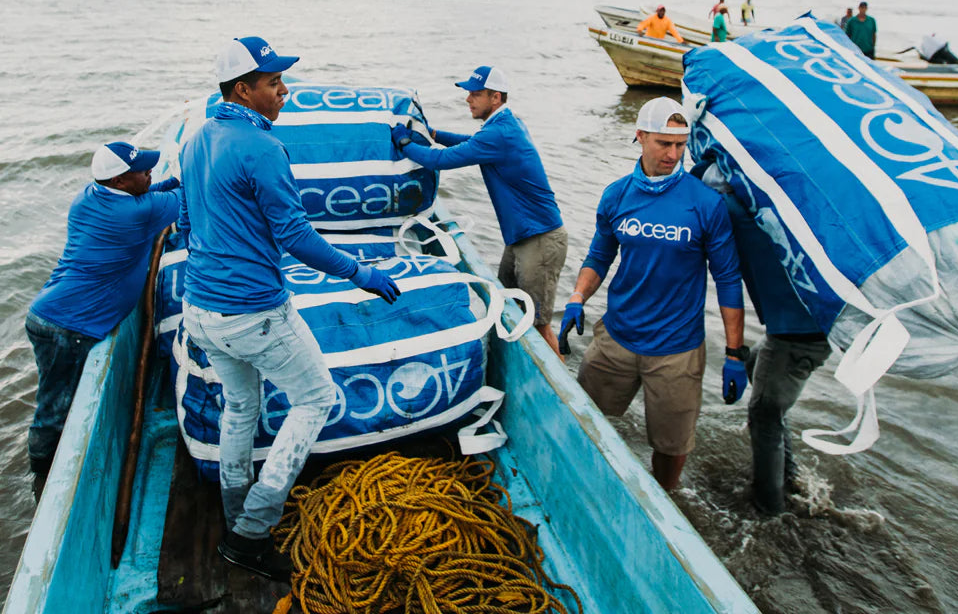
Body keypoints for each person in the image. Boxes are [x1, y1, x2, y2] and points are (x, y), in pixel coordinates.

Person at [179, 35, 401, 581]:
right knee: (316, 399)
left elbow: (186, 222)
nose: (284, 91)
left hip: (200, 309)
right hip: (254, 313)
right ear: (243, 90)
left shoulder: (195, 138)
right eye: (274, 83)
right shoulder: (261, 147)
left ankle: (233, 516)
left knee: (239, 407)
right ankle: (252, 533)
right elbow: (296, 235)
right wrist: (361, 273)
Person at [556, 97, 747, 492]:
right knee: (587, 420)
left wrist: (734, 354)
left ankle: (667, 500)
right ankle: (585, 486)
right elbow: (600, 255)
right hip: (616, 339)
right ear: (640, 137)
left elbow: (728, 279)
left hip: (677, 350)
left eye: (680, 145)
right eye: (664, 143)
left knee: (671, 444)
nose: (673, 154)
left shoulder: (706, 204)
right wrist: (577, 297)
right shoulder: (617, 195)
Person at [25, 142, 181, 483]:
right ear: (121, 182)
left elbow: (153, 190)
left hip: (48, 312)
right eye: (142, 170)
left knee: (52, 398)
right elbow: (193, 198)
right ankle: (40, 477)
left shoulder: (88, 197)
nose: (150, 172)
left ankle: (40, 468)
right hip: (70, 325)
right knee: (54, 408)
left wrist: (166, 182)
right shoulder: (137, 213)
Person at [391, 65, 568, 357]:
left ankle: (563, 393)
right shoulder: (505, 125)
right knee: (508, 306)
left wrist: (406, 143)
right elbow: (470, 143)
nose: (468, 99)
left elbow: (440, 160)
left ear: (495, 97)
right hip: (523, 238)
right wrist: (433, 132)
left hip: (540, 241)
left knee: (538, 325)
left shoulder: (498, 135)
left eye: (475, 94)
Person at [693, 157, 831, 516]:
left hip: (799, 335)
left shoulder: (734, 208)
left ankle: (768, 509)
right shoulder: (770, 205)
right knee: (763, 379)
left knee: (764, 412)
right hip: (802, 330)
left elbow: (699, 189)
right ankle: (791, 478)